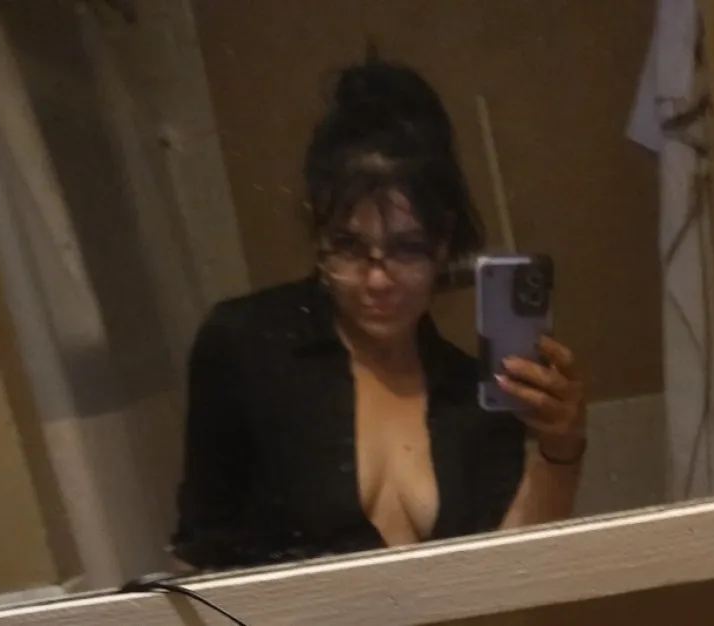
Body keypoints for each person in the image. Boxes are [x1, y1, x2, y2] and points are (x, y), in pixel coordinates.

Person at [170, 58, 587, 571]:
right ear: (319, 231)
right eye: (349, 247)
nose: (378, 281)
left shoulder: (475, 396)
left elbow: (509, 573)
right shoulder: (246, 348)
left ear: (442, 241)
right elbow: (199, 559)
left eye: (406, 249)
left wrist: (559, 453)